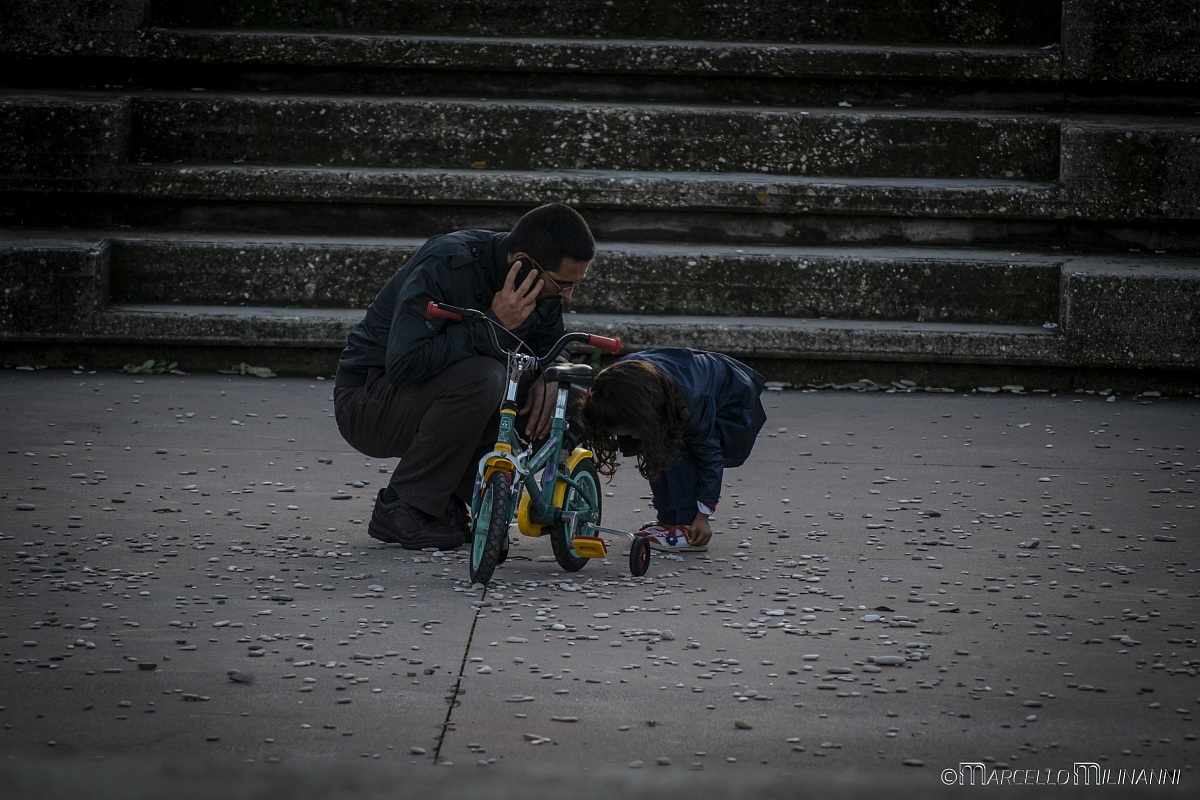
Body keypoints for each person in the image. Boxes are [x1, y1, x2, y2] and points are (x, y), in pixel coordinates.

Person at [333, 203, 596, 550]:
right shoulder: (448, 264)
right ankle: (404, 505)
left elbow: (551, 345)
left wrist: (551, 373)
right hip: (369, 401)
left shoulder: (538, 288)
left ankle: (465, 497)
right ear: (524, 263)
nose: (567, 295)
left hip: (439, 398)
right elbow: (404, 364)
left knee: (558, 389)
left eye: (574, 284)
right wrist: (493, 323)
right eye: (562, 284)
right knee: (485, 377)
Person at [580, 348, 767, 551]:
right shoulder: (620, 387)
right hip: (684, 387)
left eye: (634, 430)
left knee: (676, 449)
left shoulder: (692, 405)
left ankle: (687, 527)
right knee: (655, 446)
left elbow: (710, 459)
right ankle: (668, 520)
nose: (633, 436)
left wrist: (703, 517)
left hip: (731, 403)